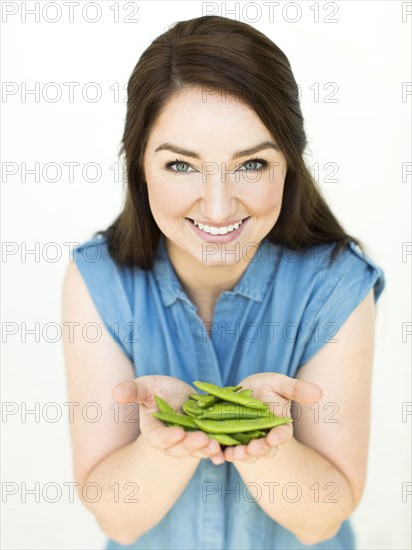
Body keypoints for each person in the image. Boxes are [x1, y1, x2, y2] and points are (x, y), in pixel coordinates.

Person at [62, 15, 385, 550]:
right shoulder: (98, 280)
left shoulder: (336, 282)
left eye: (252, 164)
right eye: (182, 166)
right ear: (140, 165)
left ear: (289, 165)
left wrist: (268, 441)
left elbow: (320, 521)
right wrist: (164, 447)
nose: (217, 207)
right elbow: (118, 521)